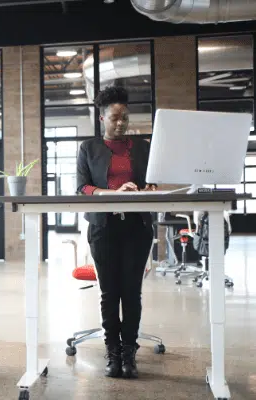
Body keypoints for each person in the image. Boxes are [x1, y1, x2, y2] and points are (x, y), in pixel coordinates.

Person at [76, 85, 156, 379]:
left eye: (124, 118)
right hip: (103, 227)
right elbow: (82, 187)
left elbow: (153, 180)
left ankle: (129, 352)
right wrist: (112, 191)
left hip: (137, 227)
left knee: (131, 293)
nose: (121, 123)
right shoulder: (89, 148)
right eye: (114, 118)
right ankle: (112, 350)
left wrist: (149, 188)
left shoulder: (143, 146)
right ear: (102, 119)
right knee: (110, 293)